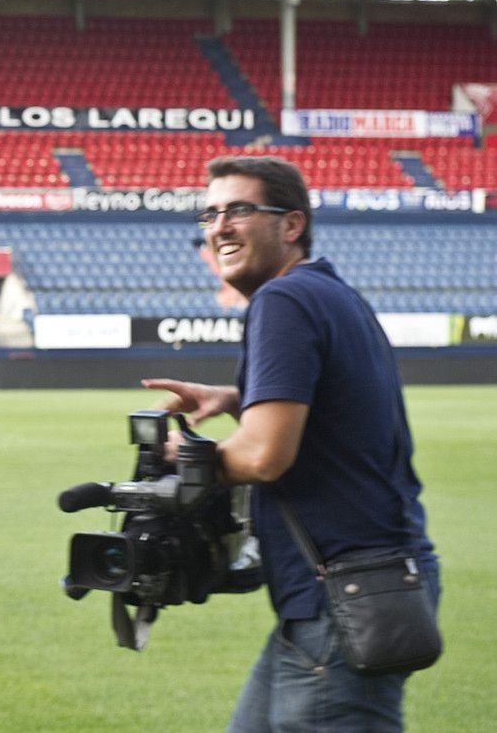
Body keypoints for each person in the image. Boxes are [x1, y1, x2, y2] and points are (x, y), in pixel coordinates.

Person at [142, 155, 438, 732]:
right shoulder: (329, 292)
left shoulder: (282, 301)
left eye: (239, 210)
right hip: (355, 589)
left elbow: (262, 456)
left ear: (292, 224)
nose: (219, 226)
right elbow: (336, 405)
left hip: (347, 597)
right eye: (211, 212)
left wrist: (181, 458)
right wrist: (236, 397)